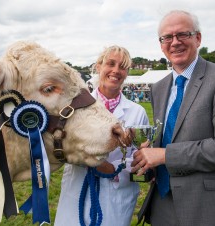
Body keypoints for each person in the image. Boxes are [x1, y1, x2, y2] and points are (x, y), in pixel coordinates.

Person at [131, 10, 215, 226]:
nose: (175, 42)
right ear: (160, 44)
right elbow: (174, 135)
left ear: (197, 38)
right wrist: (150, 158)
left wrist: (164, 155)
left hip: (209, 206)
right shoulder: (159, 88)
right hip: (163, 206)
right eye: (167, 37)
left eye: (183, 34)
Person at [54, 45, 149, 226]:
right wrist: (91, 160)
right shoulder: (77, 106)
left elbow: (140, 156)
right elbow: (62, 143)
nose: (115, 71)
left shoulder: (137, 112)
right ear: (98, 66)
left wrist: (114, 169)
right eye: (110, 64)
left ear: (127, 72)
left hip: (116, 196)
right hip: (78, 188)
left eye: (122, 66)